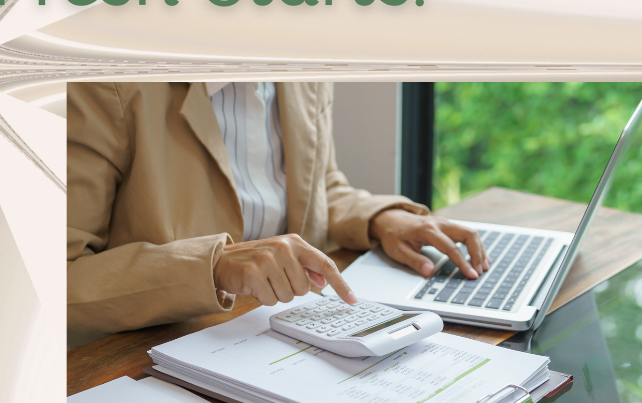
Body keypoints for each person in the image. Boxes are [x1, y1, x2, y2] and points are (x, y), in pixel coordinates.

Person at [68, 81, 488, 347]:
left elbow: (317, 185)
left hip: (282, 331)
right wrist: (211, 266)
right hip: (161, 348)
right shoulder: (103, 83)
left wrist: (382, 218)